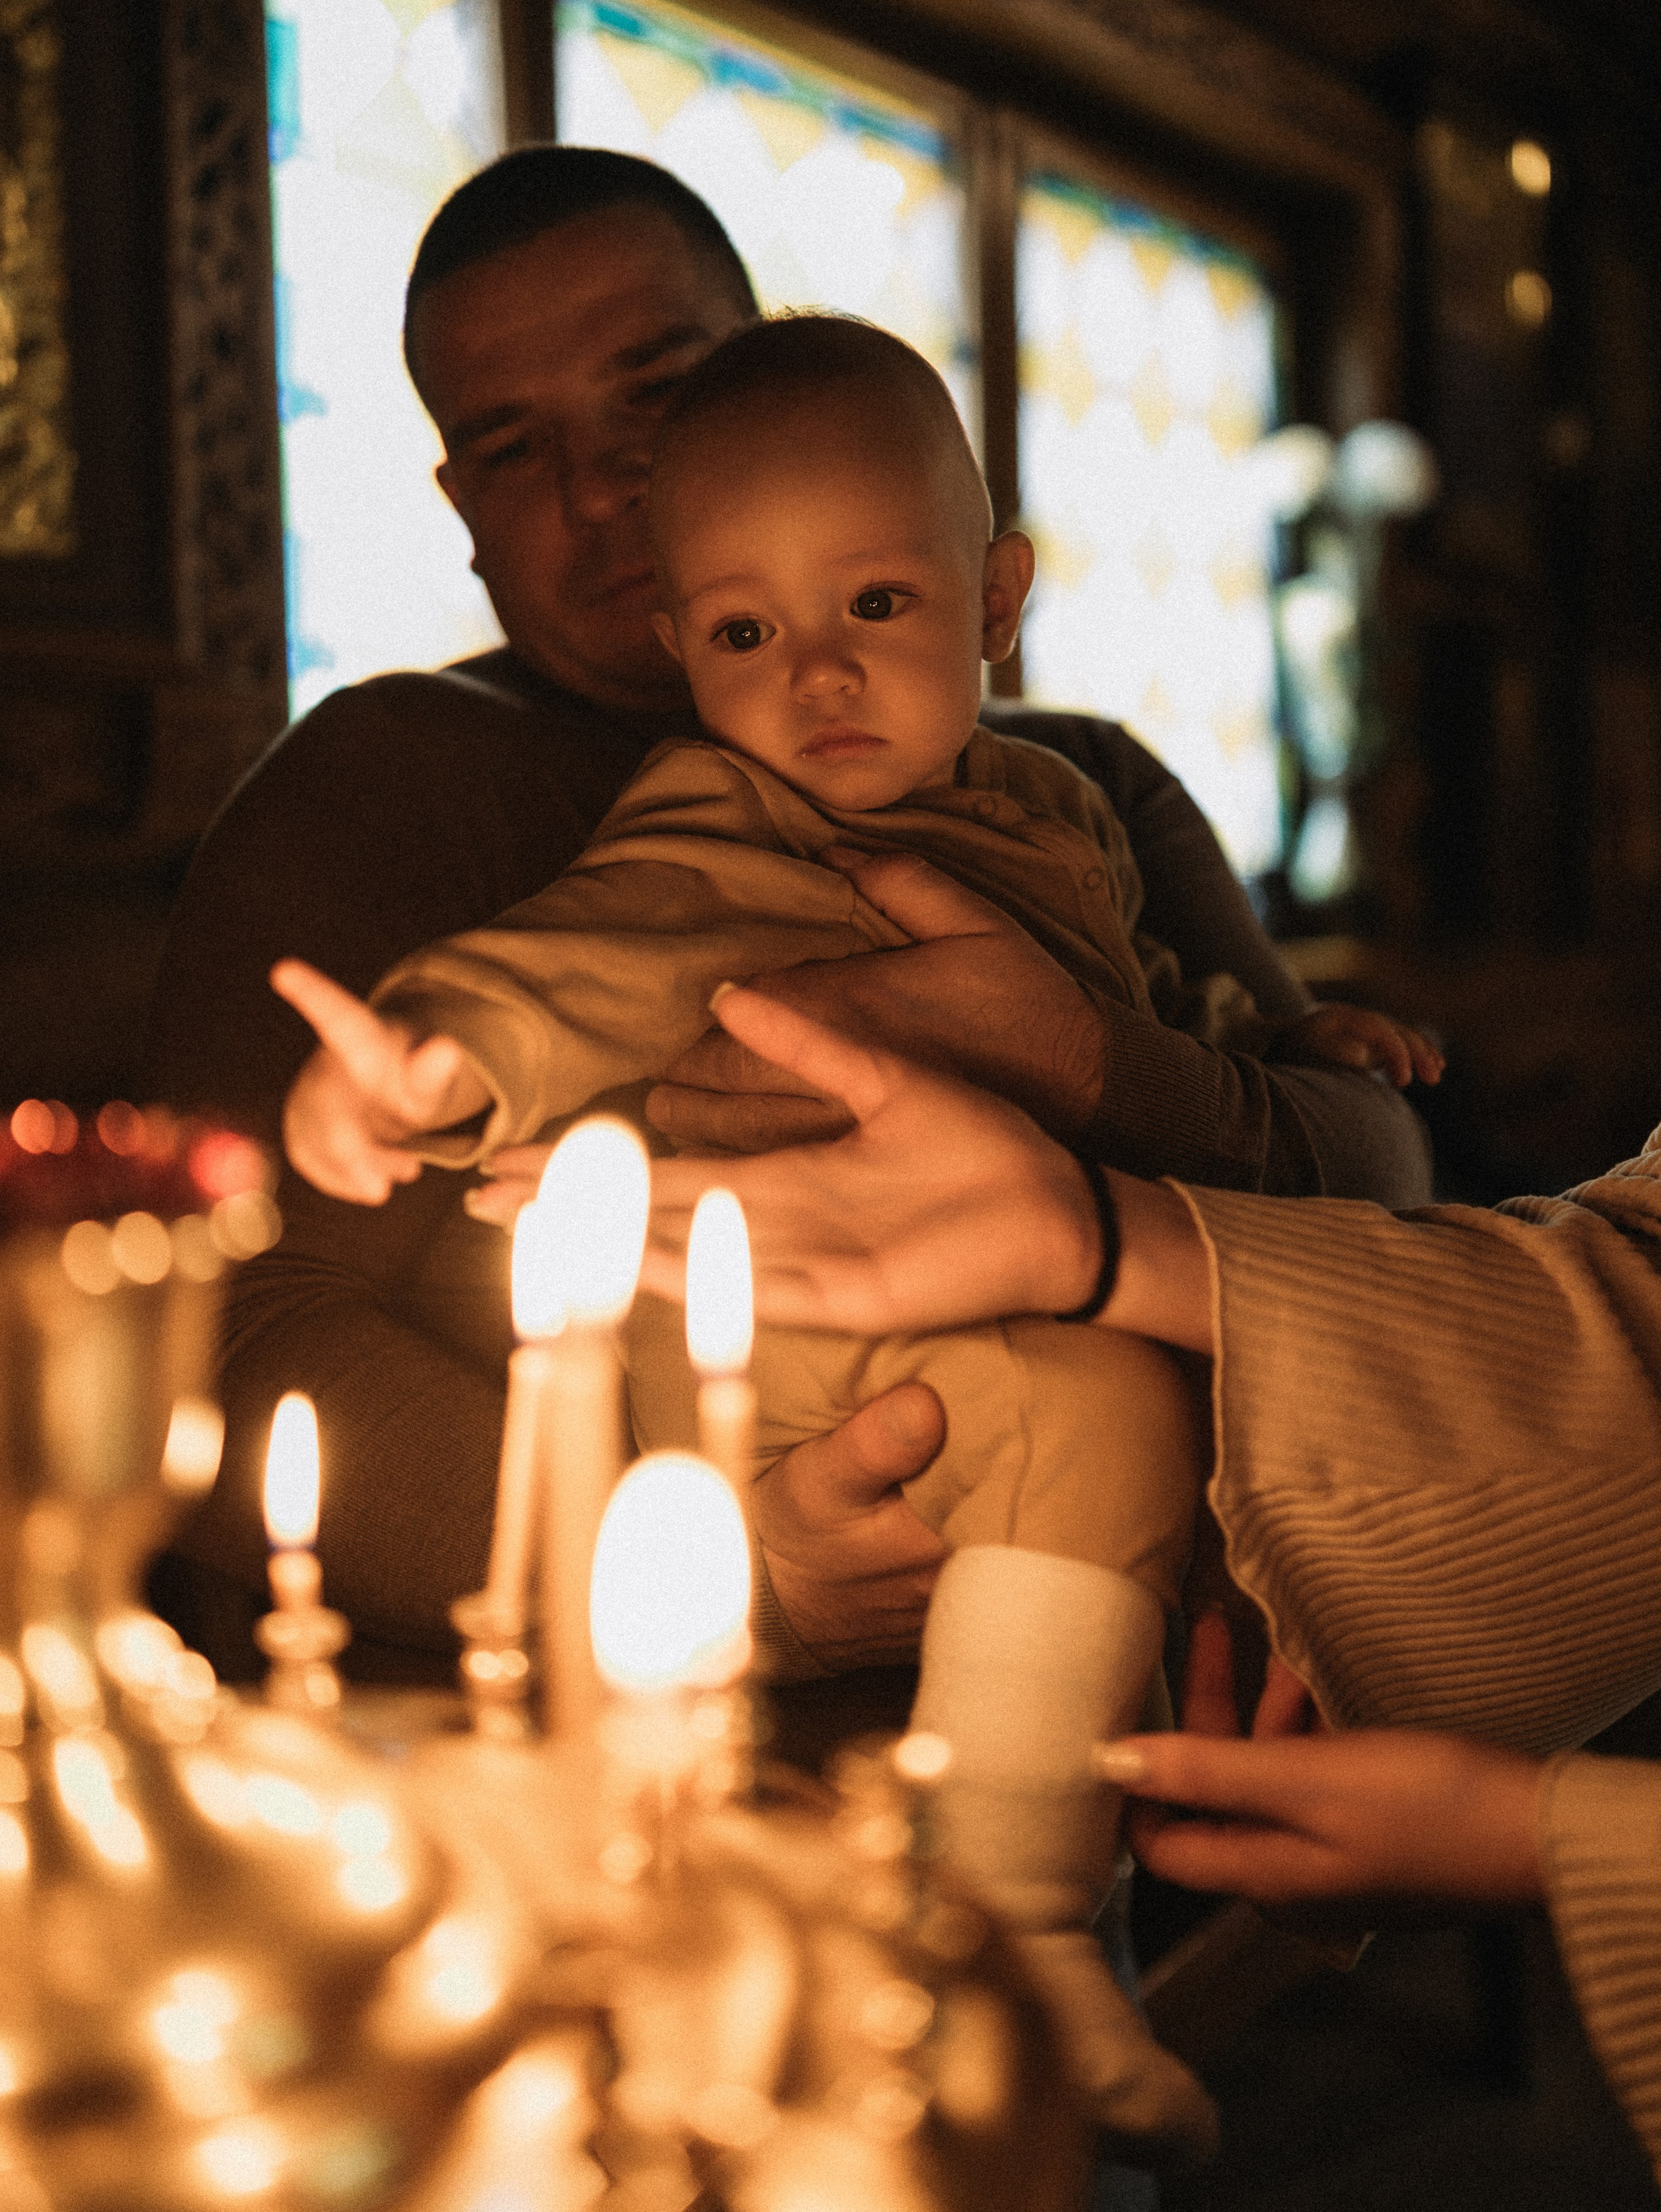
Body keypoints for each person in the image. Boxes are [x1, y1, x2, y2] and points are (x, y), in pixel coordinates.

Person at [143, 146, 1431, 1685]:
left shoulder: (1067, 783)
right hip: (612, 1687)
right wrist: (703, 1569)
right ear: (458, 507)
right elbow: (212, 1336)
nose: (606, 484)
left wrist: (1101, 1063)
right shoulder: (381, 783)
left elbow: (1386, 1176)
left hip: (1150, 1589)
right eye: (510, 444)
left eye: (656, 390)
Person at [635, 980, 1661, 2184]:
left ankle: (1019, 1917)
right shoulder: (679, 844)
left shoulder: (1060, 807)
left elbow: (1360, 1132)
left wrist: (1536, 1835)